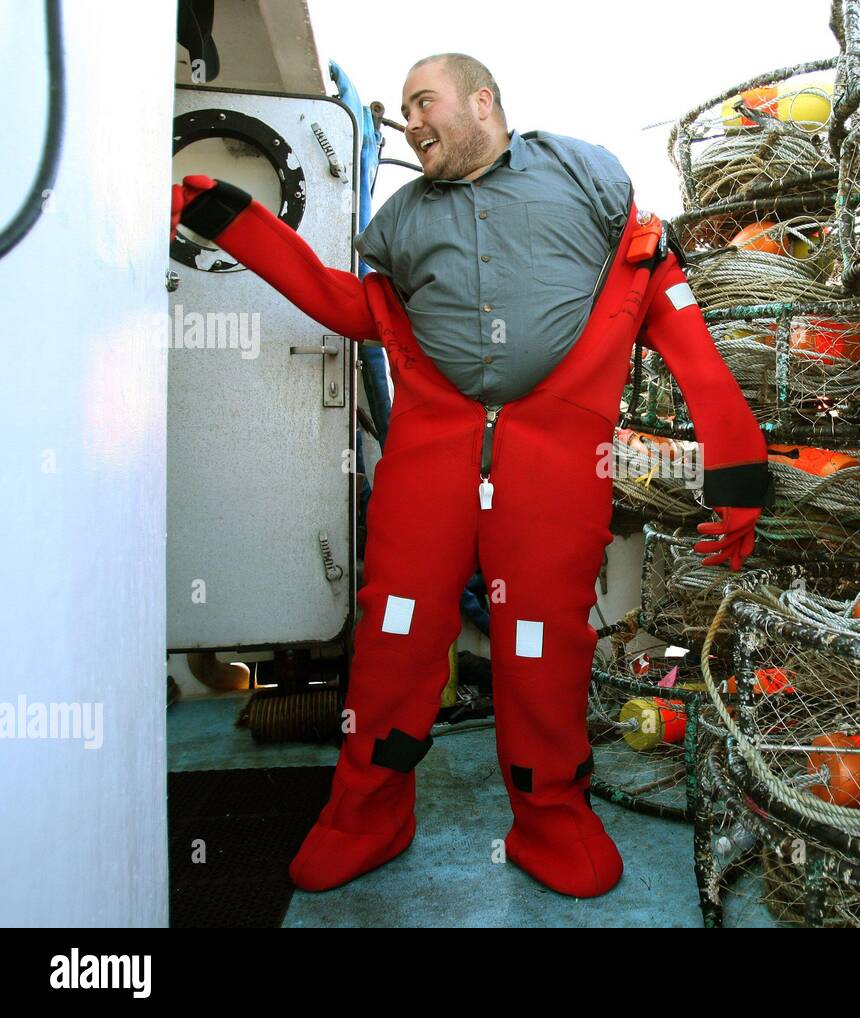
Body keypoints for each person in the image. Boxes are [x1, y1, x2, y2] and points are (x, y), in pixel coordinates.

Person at [170, 53, 773, 899]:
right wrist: (233, 219)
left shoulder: (584, 175)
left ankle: (550, 815)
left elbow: (668, 312)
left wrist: (736, 468)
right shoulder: (403, 216)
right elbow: (353, 307)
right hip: (432, 455)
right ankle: (367, 811)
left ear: (481, 101)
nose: (410, 121)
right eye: (406, 107)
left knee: (541, 644)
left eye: (425, 102)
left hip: (557, 459)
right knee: (396, 635)